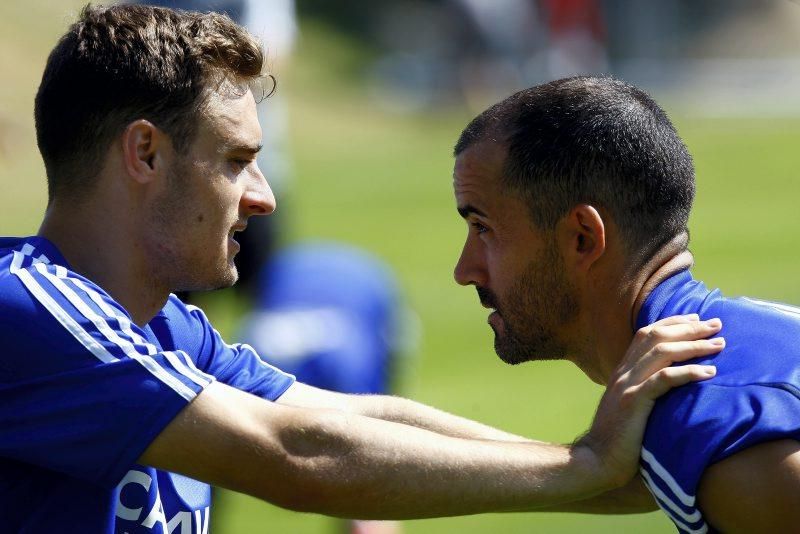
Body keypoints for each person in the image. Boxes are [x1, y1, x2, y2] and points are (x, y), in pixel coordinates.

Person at [0, 6, 724, 532]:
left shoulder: (160, 326)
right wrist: (586, 465)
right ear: (145, 154)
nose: (263, 196)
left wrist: (610, 474)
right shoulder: (26, 309)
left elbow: (345, 414)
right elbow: (297, 453)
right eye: (235, 162)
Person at [451, 75, 800, 532]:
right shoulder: (763, 332)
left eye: (483, 228)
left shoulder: (721, 437)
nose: (464, 271)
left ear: (582, 238)